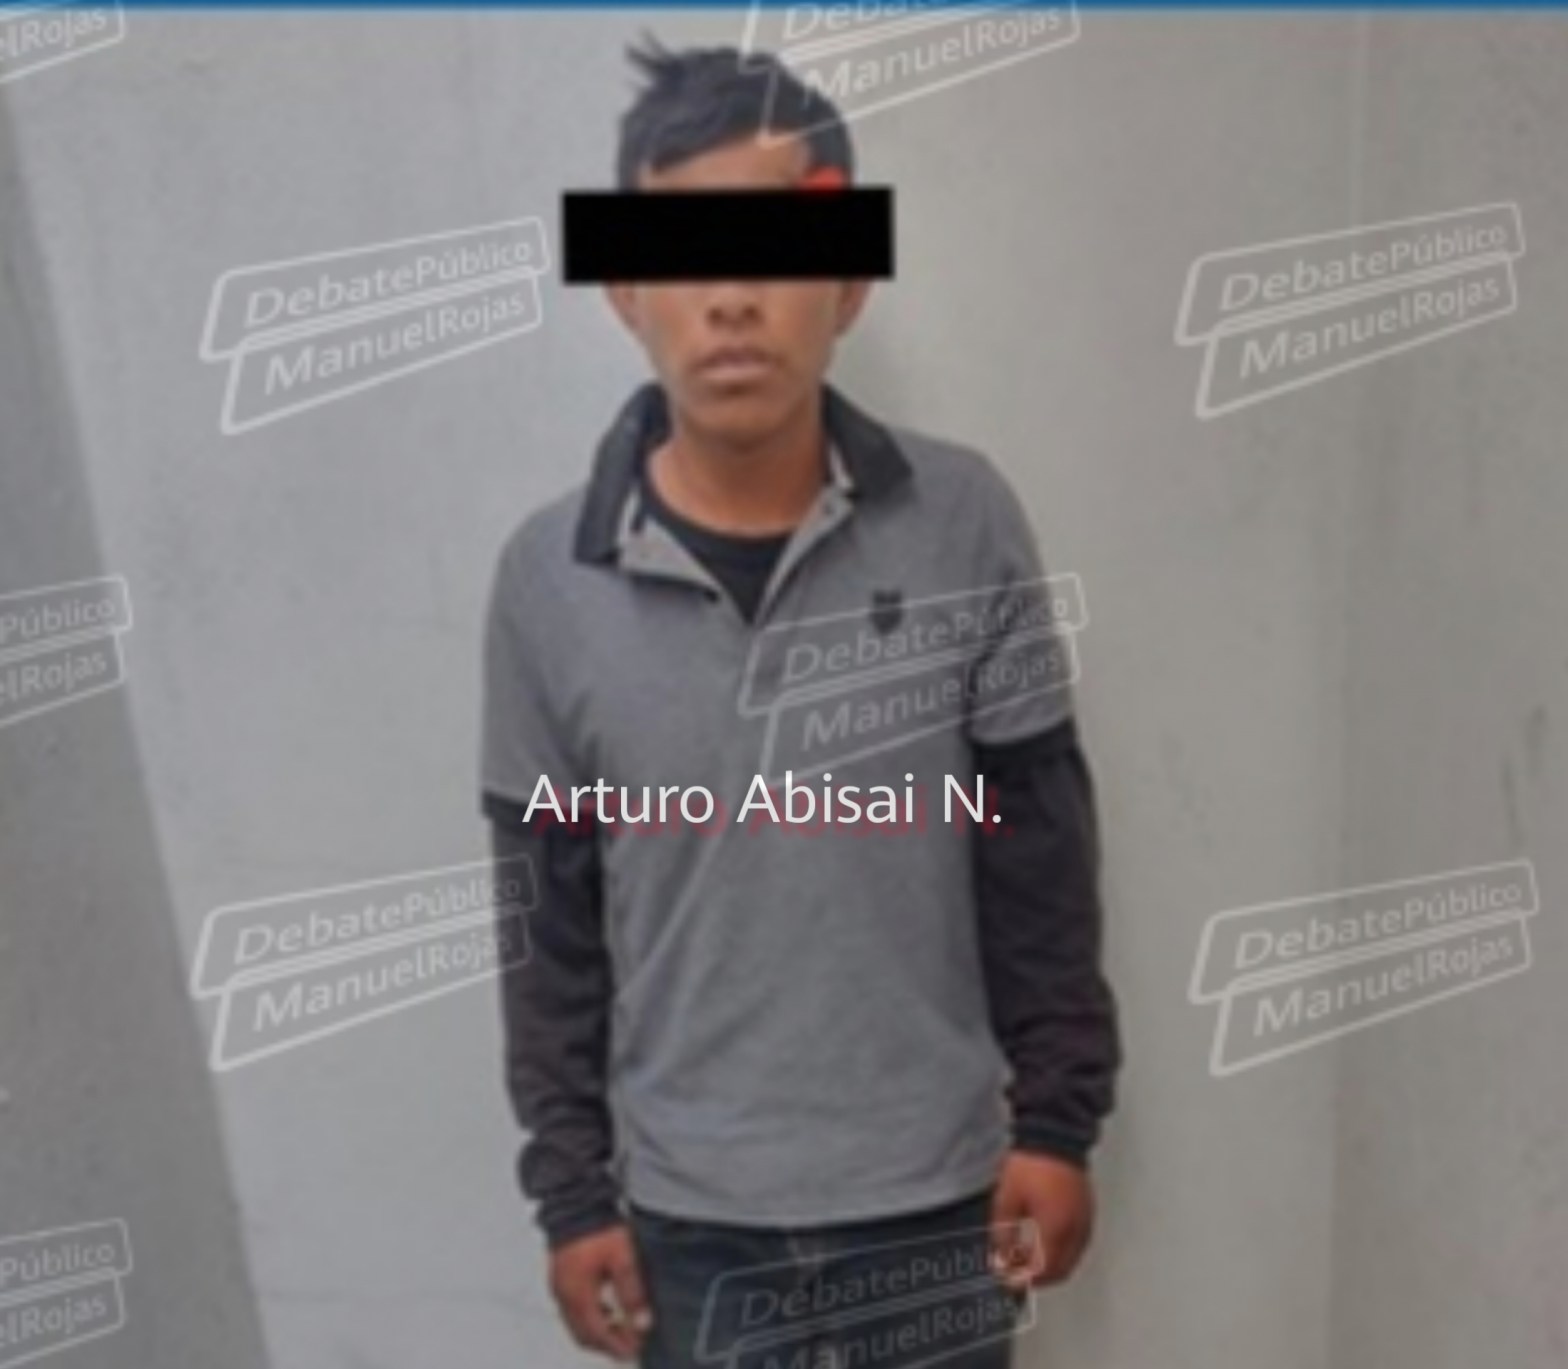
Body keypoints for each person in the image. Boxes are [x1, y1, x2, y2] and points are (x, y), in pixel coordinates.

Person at [480, 34, 1122, 1369]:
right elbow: (546, 914)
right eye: (685, 254)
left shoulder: (964, 524)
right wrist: (572, 1193)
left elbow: (1039, 846)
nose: (731, 299)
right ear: (624, 289)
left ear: (848, 282)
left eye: (773, 248)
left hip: (938, 1192)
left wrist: (1059, 1122)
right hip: (688, 1217)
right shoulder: (547, 582)